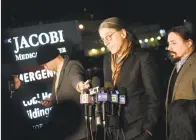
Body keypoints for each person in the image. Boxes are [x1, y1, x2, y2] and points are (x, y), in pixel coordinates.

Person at [98, 17, 162, 140]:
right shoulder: (107, 60)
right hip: (116, 129)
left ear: (123, 33)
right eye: (103, 39)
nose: (106, 42)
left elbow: (155, 98)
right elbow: (109, 89)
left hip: (138, 130)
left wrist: (148, 130)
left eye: (108, 36)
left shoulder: (142, 58)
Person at [36, 44, 91, 140]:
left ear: (53, 58)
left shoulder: (72, 65)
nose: (45, 68)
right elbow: (61, 96)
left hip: (81, 132)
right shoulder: (57, 74)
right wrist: (51, 100)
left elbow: (75, 78)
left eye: (45, 64)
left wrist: (80, 85)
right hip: (69, 131)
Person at [166, 22, 196, 140]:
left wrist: (184, 111)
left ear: (189, 43)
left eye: (174, 43)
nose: (169, 48)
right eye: (168, 43)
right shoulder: (177, 66)